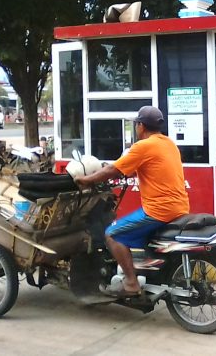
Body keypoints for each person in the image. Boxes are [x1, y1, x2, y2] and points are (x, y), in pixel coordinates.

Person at [75, 106, 190, 297]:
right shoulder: (168, 144)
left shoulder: (143, 146)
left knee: (112, 234)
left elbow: (113, 171)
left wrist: (86, 180)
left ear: (141, 126)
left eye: (136, 124)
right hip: (179, 207)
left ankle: (131, 282)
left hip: (159, 210)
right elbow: (143, 166)